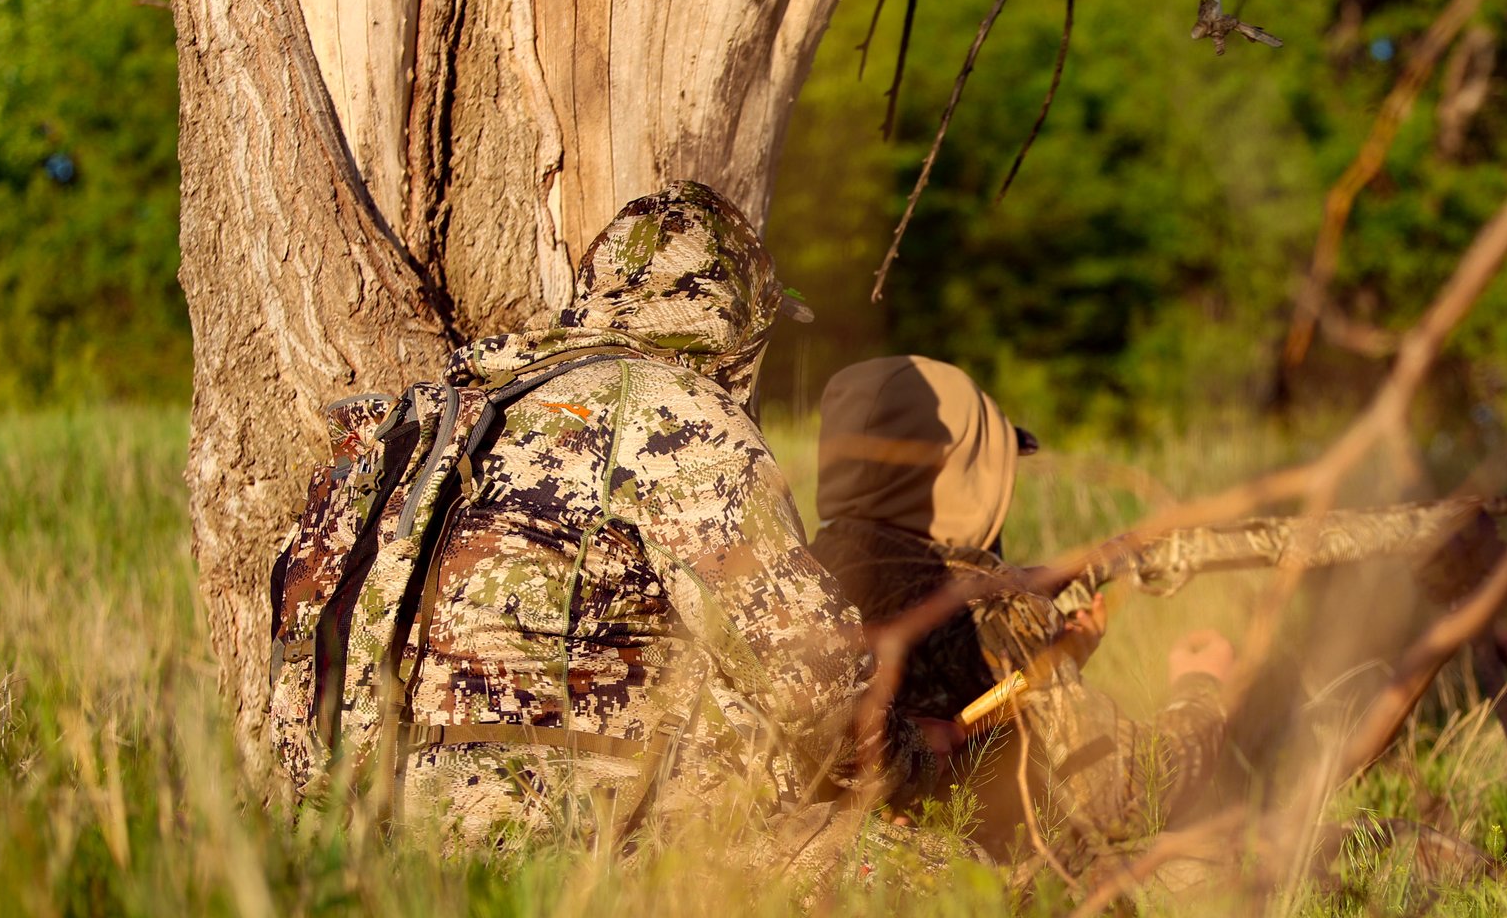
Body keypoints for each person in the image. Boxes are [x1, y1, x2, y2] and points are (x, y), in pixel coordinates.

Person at [392, 182, 930, 848]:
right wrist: (917, 765)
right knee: (956, 885)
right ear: (737, 327)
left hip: (403, 821)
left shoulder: (483, 399)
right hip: (567, 836)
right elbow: (808, 680)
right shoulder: (678, 414)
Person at [808, 355, 1232, 858]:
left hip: (806, 885)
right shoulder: (996, 608)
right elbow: (1124, 794)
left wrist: (1056, 665)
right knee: (1221, 859)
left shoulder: (795, 580)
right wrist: (1202, 687)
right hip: (952, 899)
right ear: (964, 475)